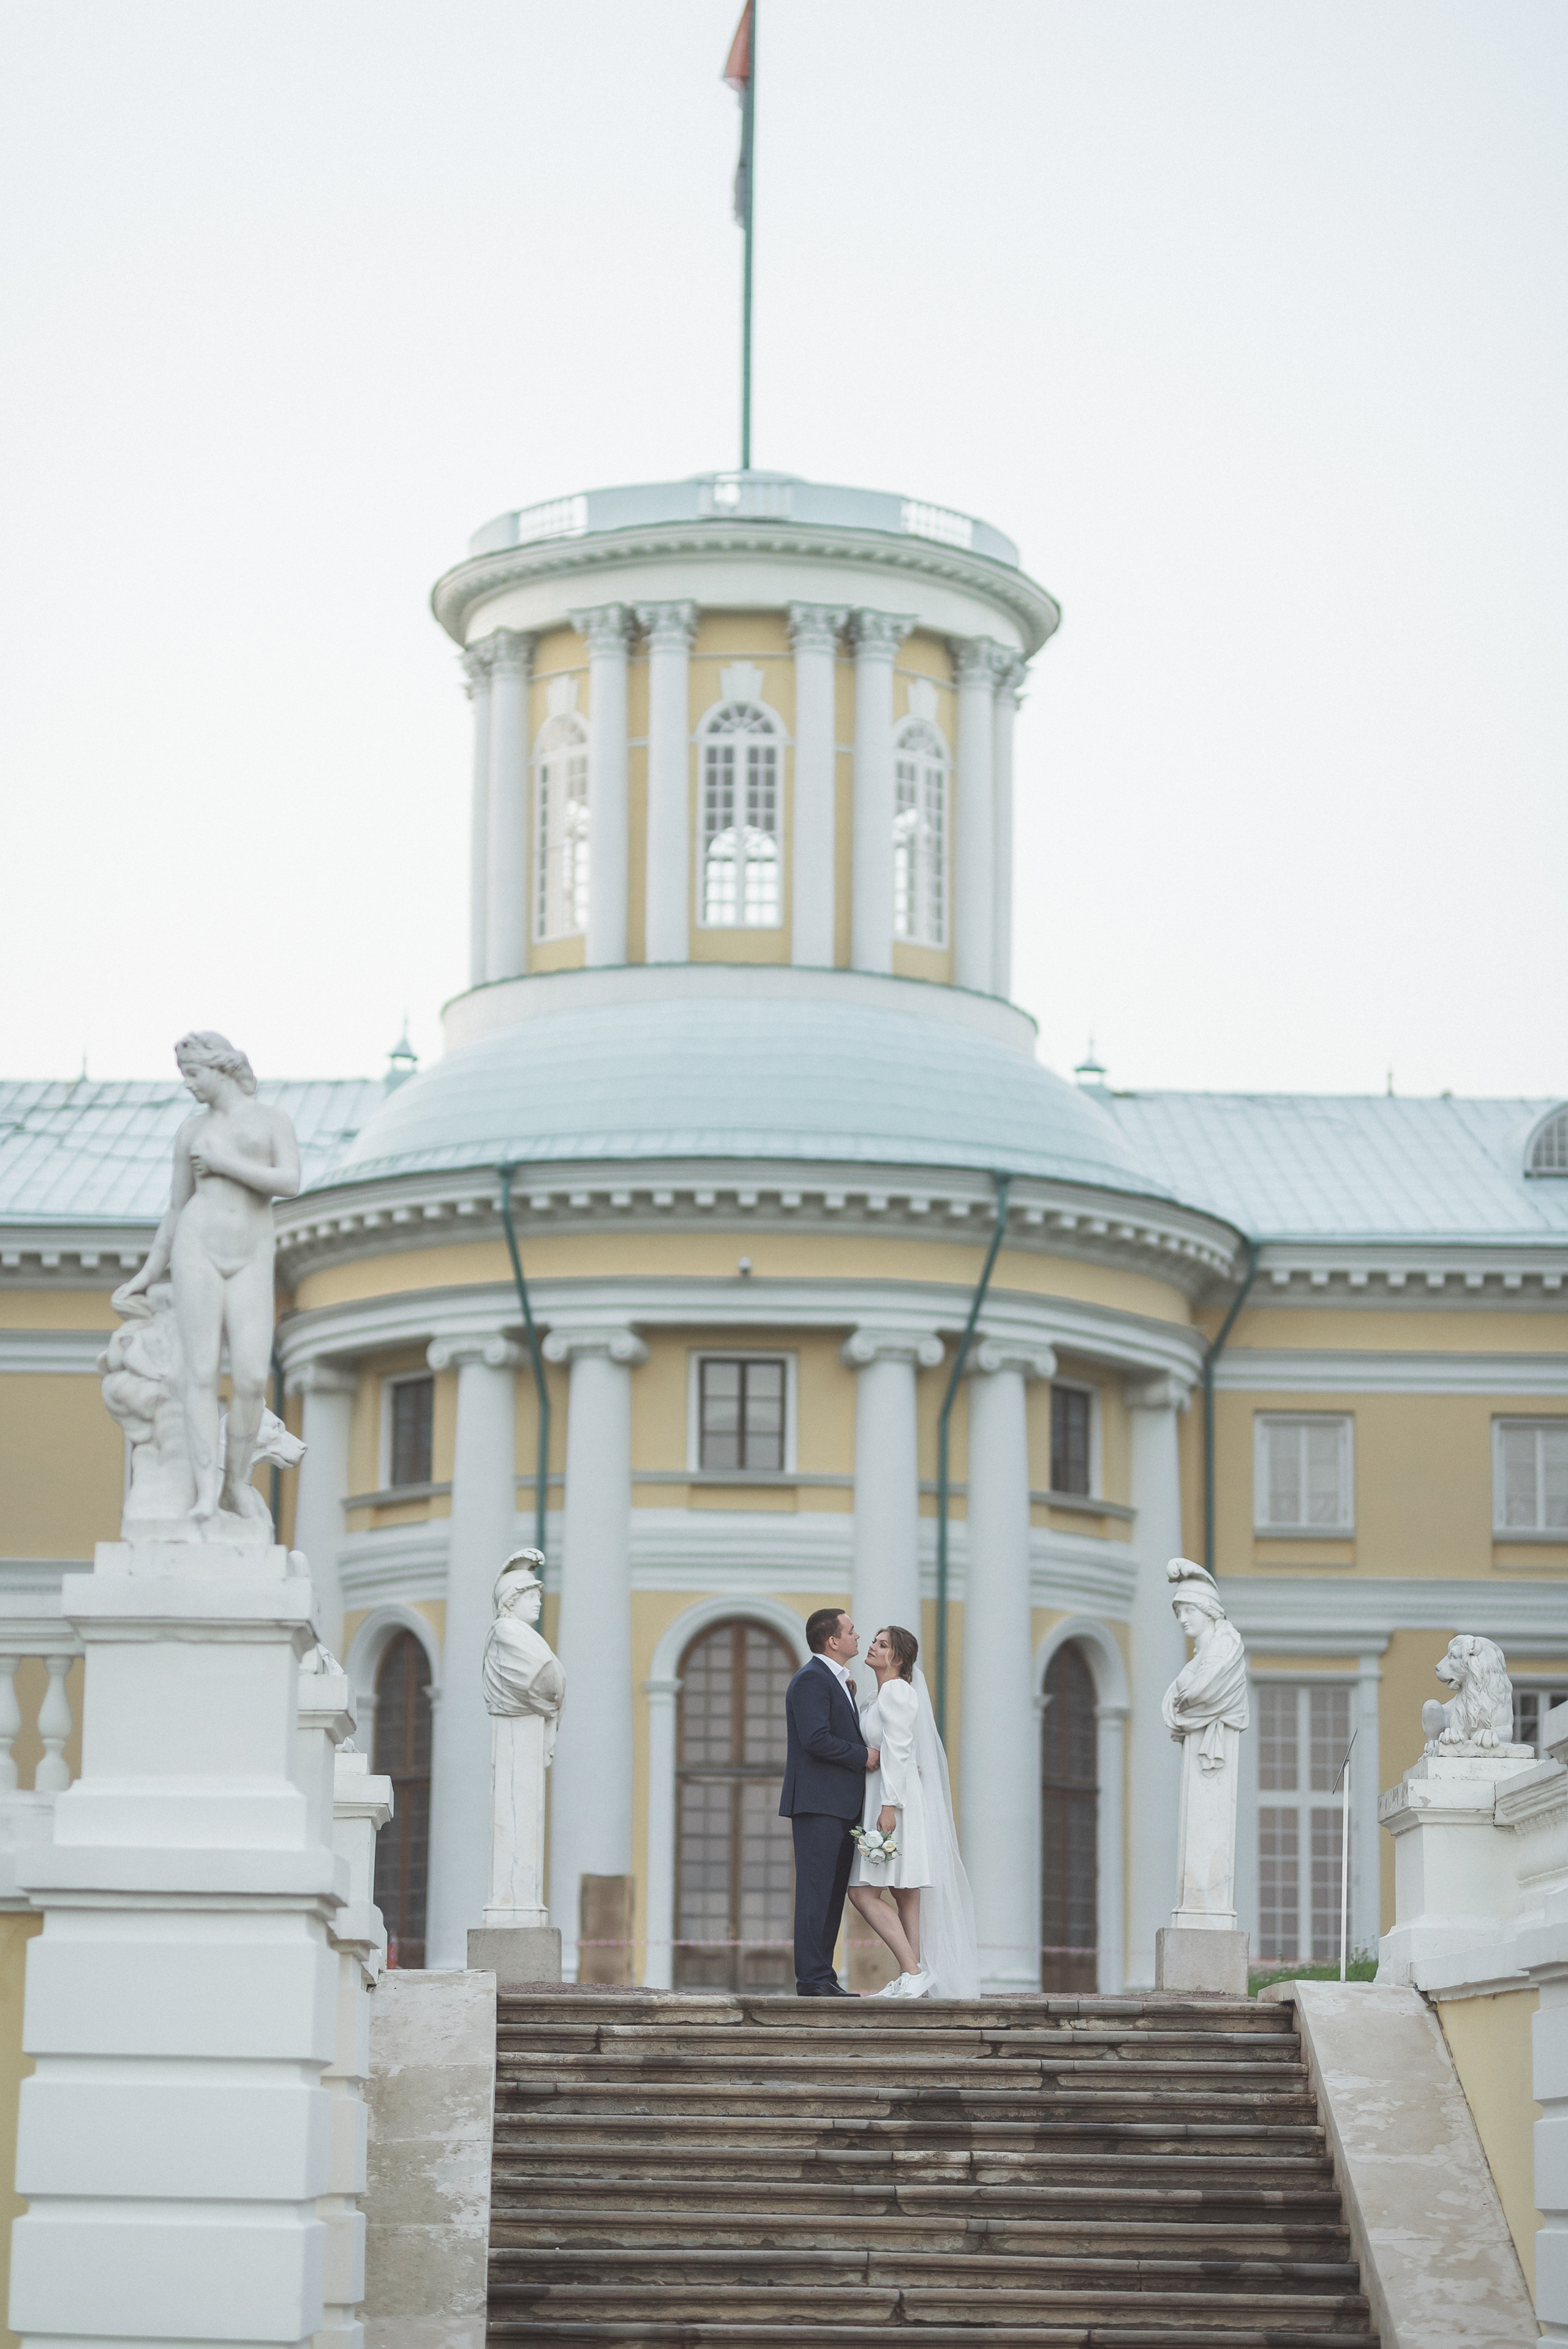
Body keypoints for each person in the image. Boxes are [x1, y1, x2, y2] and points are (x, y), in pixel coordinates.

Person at [116, 1032, 300, 1528]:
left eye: (194, 1075)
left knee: (250, 1378)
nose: (189, 1086)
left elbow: (289, 1181)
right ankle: (205, 1492)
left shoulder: (271, 1121)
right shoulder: (190, 1130)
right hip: (196, 1245)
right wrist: (150, 1272)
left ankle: (236, 1481)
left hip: (250, 1254)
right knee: (197, 1374)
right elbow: (176, 1207)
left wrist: (223, 1164)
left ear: (220, 1069)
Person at [847, 1624, 979, 2000]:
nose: (872, 1647)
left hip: (893, 1803)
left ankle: (912, 1969)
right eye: (873, 1641)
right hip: (890, 1797)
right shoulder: (879, 1695)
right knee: (905, 1894)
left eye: (882, 1644)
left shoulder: (896, 1691)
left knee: (863, 1894)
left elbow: (900, 1750)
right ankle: (914, 1981)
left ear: (899, 1658)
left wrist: (889, 1806)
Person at [778, 1608, 880, 1997]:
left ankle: (824, 1977)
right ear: (832, 1641)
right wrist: (864, 1756)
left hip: (839, 1806)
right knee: (816, 1893)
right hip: (818, 1805)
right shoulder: (811, 1680)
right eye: (852, 1631)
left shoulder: (837, 1682)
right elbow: (815, 1738)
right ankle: (812, 1980)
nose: (859, 1636)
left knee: (832, 1894)